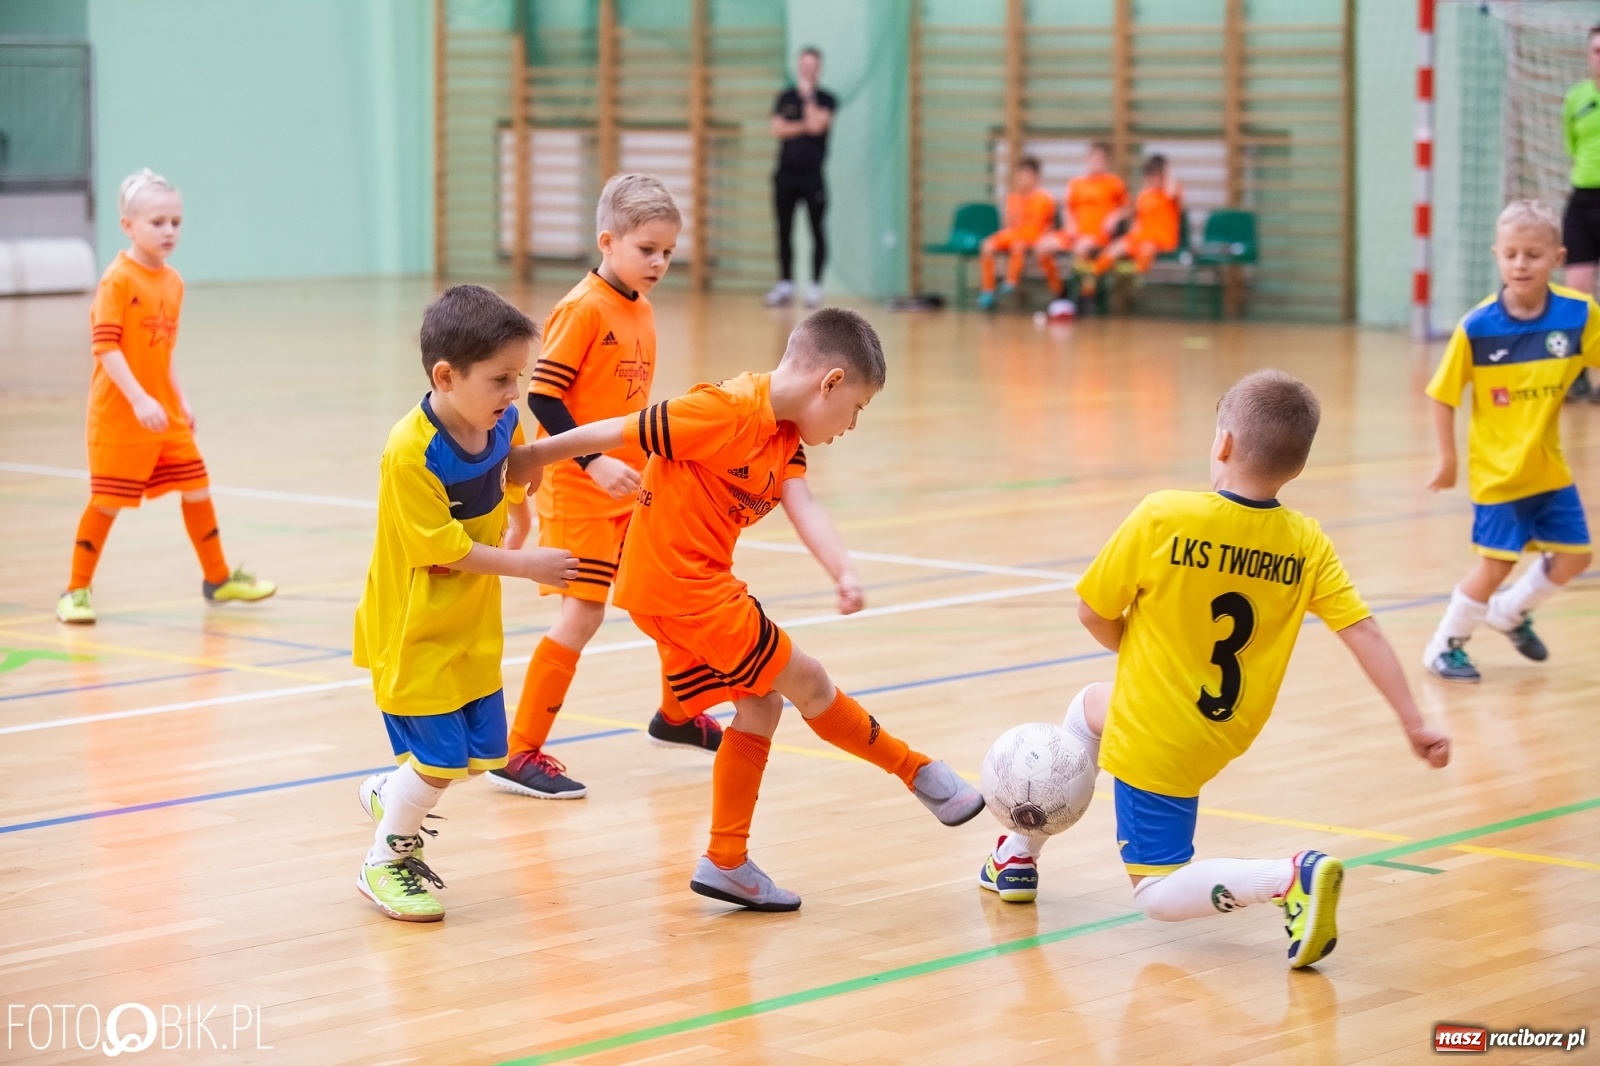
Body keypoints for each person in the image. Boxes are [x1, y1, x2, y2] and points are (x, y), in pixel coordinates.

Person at [980, 370, 1450, 971]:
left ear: (1222, 443)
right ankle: (1018, 854)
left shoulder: (1163, 516)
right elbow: (1363, 630)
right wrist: (1413, 722)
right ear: (1297, 468)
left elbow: (1091, 613)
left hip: (1160, 738)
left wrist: (1136, 647)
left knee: (1156, 892)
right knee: (1090, 708)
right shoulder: (1306, 542)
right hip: (1223, 726)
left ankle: (1288, 878)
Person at [602, 309, 985, 911]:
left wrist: (844, 570)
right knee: (808, 682)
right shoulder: (726, 408)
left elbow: (804, 506)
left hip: (676, 593)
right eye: (856, 409)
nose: (852, 425)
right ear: (830, 382)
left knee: (761, 703)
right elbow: (615, 431)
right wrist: (527, 460)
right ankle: (920, 773)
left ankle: (726, 860)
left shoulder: (782, 439)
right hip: (686, 590)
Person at [352, 285, 636, 922]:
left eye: (520, 377)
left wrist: (519, 511)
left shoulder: (496, 419)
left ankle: (391, 792)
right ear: (446, 377)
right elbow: (443, 551)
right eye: (501, 379)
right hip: (415, 624)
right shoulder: (410, 451)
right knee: (438, 760)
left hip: (470, 621)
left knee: (478, 757)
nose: (515, 394)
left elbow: (512, 466)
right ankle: (385, 861)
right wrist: (524, 563)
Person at [492, 174, 718, 803]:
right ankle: (518, 752)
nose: (660, 263)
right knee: (584, 613)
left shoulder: (640, 310)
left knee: (668, 596)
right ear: (607, 241)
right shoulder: (583, 308)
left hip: (631, 485)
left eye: (668, 252)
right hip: (579, 486)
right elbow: (542, 395)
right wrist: (592, 462)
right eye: (647, 249)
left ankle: (676, 716)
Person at [56, 168, 275, 625]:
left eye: (176, 221)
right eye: (157, 222)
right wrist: (138, 399)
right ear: (128, 226)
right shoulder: (118, 280)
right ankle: (75, 591)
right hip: (120, 416)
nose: (169, 230)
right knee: (107, 502)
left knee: (197, 488)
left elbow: (164, 349)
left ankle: (218, 579)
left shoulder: (173, 282)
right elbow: (106, 347)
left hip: (165, 415)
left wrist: (180, 398)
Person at [1421, 200, 1598, 684]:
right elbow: (1442, 395)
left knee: (1576, 557)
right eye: (1512, 254)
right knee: (1496, 563)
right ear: (1496, 254)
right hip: (1498, 474)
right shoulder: (1478, 327)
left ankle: (1510, 613)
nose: (1521, 264)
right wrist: (1447, 458)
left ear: (1557, 257)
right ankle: (1444, 646)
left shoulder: (1578, 314)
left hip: (1549, 469)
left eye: (1534, 255)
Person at [765, 47, 836, 310]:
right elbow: (777, 128)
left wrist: (808, 100)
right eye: (804, 65)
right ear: (798, 66)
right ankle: (785, 284)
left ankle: (815, 286)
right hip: (785, 175)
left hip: (812, 176)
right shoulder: (784, 96)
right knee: (784, 230)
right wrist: (803, 126)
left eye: (812, 65)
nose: (807, 69)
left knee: (817, 230)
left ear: (818, 68)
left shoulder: (826, 99)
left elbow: (818, 125)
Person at [1035, 142, 1128, 309]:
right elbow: (1068, 209)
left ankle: (1086, 294)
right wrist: (1070, 225)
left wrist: (1115, 216)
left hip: (1098, 235)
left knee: (1081, 248)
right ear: (1087, 159)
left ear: (1106, 163)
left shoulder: (1114, 183)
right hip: (1074, 233)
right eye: (1094, 159)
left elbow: (1128, 208)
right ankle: (1058, 290)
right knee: (1041, 246)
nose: (1096, 163)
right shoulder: (1076, 184)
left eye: (1100, 160)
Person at [1560, 25, 1600, 402]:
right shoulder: (1576, 99)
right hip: (1584, 201)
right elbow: (1572, 146)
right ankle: (1576, 375)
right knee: (1577, 293)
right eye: (1597, 50)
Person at [975, 156, 1056, 311]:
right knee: (987, 245)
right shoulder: (1013, 198)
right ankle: (988, 290)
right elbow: (1009, 225)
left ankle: (1010, 282)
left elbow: (1045, 226)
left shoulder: (1044, 199)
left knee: (1018, 245)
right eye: (1020, 176)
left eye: (1027, 176)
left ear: (1035, 178)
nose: (1023, 180)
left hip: (1032, 236)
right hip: (1014, 234)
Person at [1093, 154, 1184, 283]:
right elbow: (1139, 220)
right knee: (1115, 247)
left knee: (1147, 248)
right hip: (1142, 235)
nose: (1153, 180)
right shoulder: (1144, 195)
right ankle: (1094, 274)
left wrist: (1168, 169)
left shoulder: (1170, 193)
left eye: (1156, 175)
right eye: (1150, 176)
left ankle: (1132, 273)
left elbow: (1172, 190)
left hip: (1160, 238)